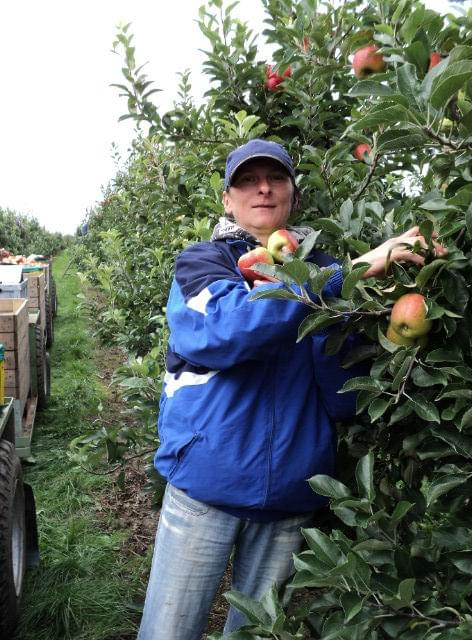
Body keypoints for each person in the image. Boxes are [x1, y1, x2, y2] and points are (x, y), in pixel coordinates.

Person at [137, 139, 445, 640]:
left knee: (258, 633)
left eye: (275, 178)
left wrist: (379, 316)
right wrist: (343, 278)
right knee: (169, 631)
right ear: (227, 200)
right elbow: (224, 331)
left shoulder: (327, 273)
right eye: (247, 180)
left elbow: (346, 398)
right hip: (205, 486)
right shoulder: (203, 263)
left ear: (293, 196)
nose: (262, 188)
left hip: (290, 496)